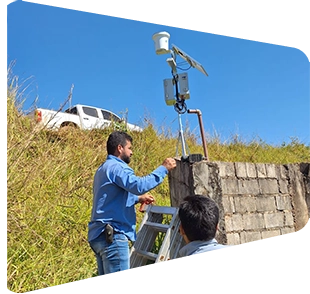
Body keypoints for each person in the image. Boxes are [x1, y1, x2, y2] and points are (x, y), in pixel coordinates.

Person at [88, 131, 177, 276]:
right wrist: (164, 169)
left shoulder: (104, 168)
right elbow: (139, 185)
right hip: (113, 237)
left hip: (99, 235)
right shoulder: (117, 167)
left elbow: (109, 198)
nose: (132, 152)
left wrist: (137, 199)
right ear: (120, 148)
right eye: (129, 148)